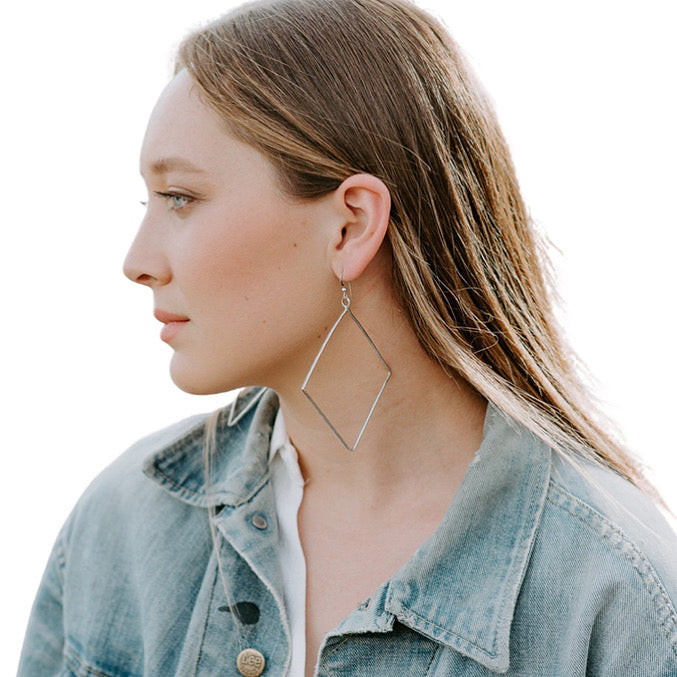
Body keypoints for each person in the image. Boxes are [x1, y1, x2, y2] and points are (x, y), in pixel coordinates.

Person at [18, 0, 677, 675]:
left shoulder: (613, 592)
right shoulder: (123, 523)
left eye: (181, 197)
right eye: (148, 203)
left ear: (351, 226)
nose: (137, 261)